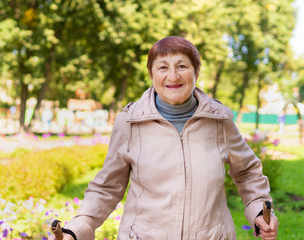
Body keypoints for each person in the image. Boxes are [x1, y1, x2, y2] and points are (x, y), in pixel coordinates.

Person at [48, 36, 278, 240]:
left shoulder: (219, 119)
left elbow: (247, 172)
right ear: (151, 74)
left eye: (182, 66)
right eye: (162, 67)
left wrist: (259, 209)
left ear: (196, 72)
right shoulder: (129, 122)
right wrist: (80, 225)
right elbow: (107, 187)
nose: (173, 76)